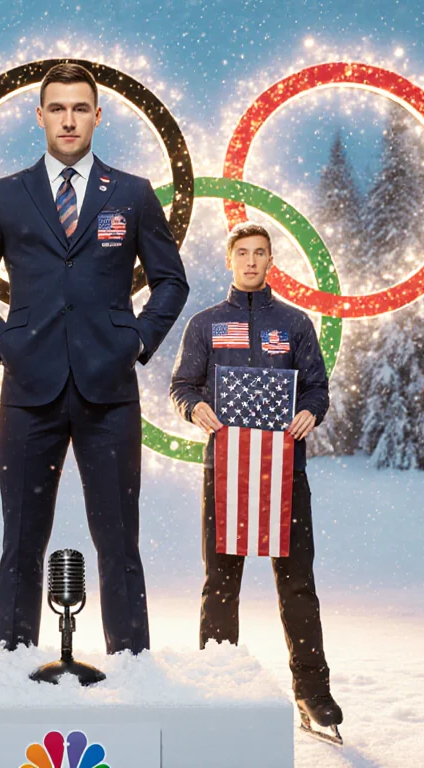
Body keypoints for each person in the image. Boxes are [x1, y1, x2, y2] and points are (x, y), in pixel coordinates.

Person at [0, 62, 189, 655]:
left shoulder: (132, 193)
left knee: (119, 541)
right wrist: (1, 341)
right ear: (39, 116)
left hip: (109, 392)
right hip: (28, 390)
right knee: (20, 541)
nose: (68, 119)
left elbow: (171, 281)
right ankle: (12, 662)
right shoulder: (6, 194)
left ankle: (130, 662)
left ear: (97, 116)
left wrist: (138, 340)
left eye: (80, 108)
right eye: (57, 108)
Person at [169, 221, 342, 742]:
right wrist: (193, 406)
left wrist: (311, 410)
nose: (250, 260)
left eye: (259, 252)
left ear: (271, 261)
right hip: (225, 471)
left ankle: (313, 692)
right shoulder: (205, 323)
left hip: (286, 472)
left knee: (298, 585)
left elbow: (316, 387)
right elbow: (182, 385)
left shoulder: (294, 323)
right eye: (242, 252)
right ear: (229, 260)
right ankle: (217, 687)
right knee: (220, 585)